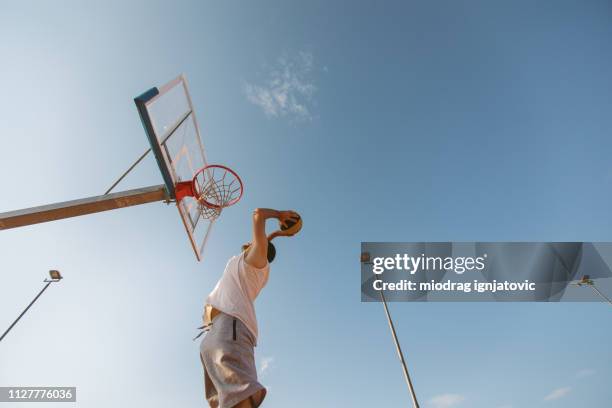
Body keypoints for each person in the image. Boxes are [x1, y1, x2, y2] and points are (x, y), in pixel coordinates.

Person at [199, 208, 301, 408]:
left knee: (238, 397)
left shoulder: (255, 261)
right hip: (216, 332)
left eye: (258, 241)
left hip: (231, 326)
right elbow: (265, 241)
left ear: (260, 246)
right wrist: (279, 234)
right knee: (223, 402)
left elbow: (258, 214)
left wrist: (280, 215)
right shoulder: (250, 261)